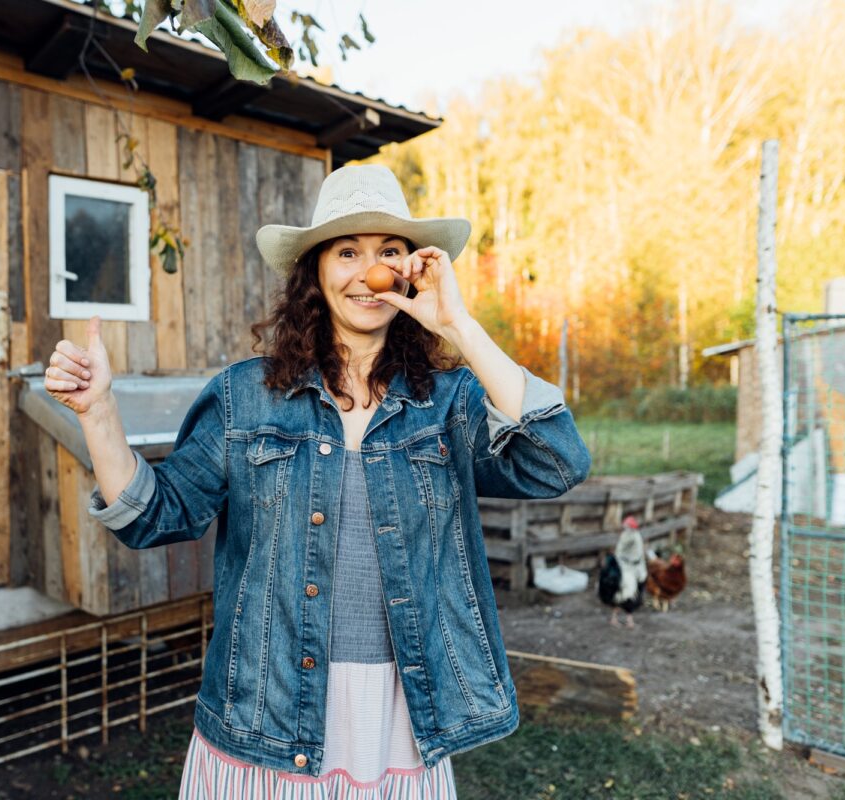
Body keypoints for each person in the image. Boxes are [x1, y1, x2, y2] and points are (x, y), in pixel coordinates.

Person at [44, 164, 592, 798]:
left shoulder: (450, 403)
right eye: (347, 252)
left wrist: (459, 328)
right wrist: (98, 412)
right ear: (316, 271)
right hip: (265, 718)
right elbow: (152, 516)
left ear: (412, 270)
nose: (369, 272)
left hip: (399, 722)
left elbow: (557, 461)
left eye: (389, 251)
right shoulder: (245, 397)